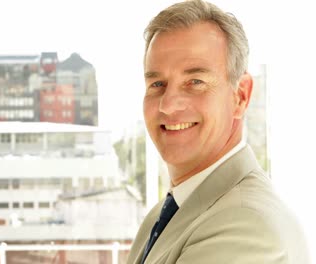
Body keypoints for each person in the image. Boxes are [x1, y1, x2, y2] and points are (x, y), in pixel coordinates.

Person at [126, 0, 310, 263]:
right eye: (157, 83)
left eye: (195, 82)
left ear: (240, 96)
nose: (168, 105)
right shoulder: (162, 216)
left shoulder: (247, 225)